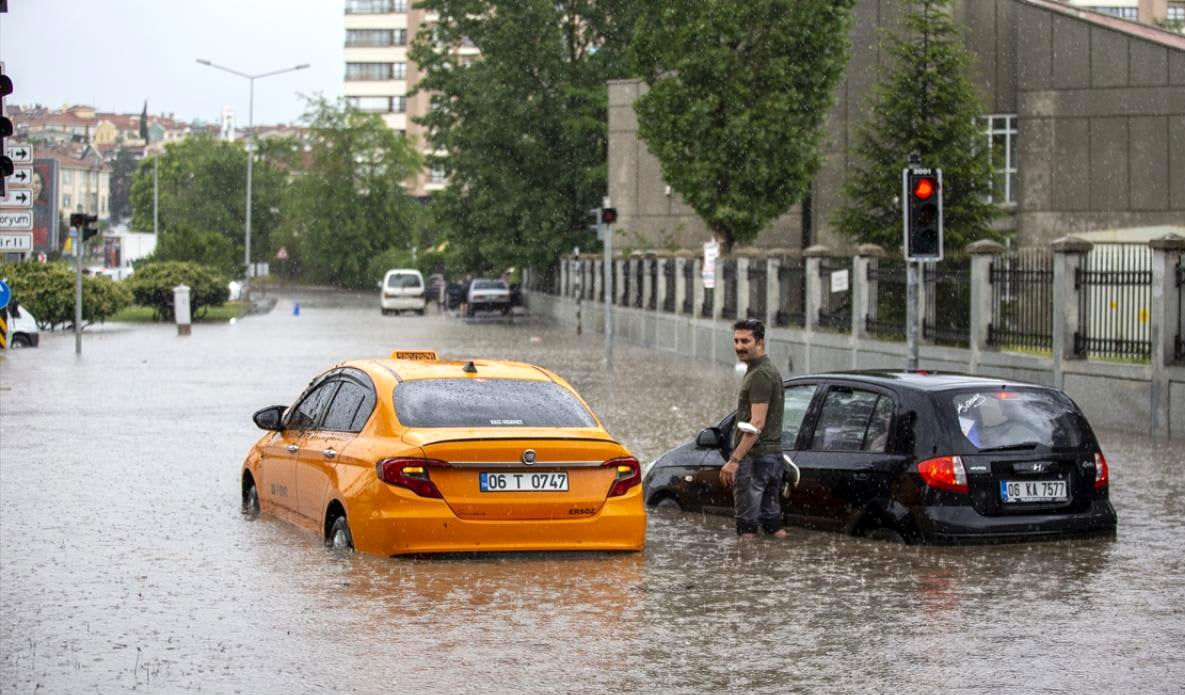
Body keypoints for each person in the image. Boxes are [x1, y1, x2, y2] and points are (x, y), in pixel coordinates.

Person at [719, 318, 787, 539]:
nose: (739, 346)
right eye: (736, 340)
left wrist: (734, 460)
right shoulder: (765, 370)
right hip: (772, 457)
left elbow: (757, 423)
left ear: (760, 342)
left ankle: (745, 571)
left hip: (755, 459)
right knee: (772, 523)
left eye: (745, 341)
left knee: (746, 529)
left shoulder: (760, 375)